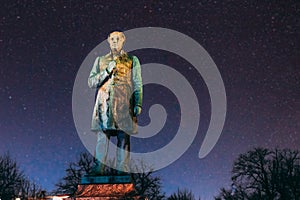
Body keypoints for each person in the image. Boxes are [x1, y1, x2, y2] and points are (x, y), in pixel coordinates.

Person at [88, 31, 143, 174]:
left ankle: (122, 169)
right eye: (112, 39)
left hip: (124, 102)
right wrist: (107, 70)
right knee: (102, 137)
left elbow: (137, 83)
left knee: (123, 137)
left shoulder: (132, 59)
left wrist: (138, 103)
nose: (114, 41)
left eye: (118, 39)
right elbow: (91, 82)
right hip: (104, 104)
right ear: (108, 41)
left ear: (123, 41)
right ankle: (98, 168)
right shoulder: (100, 60)